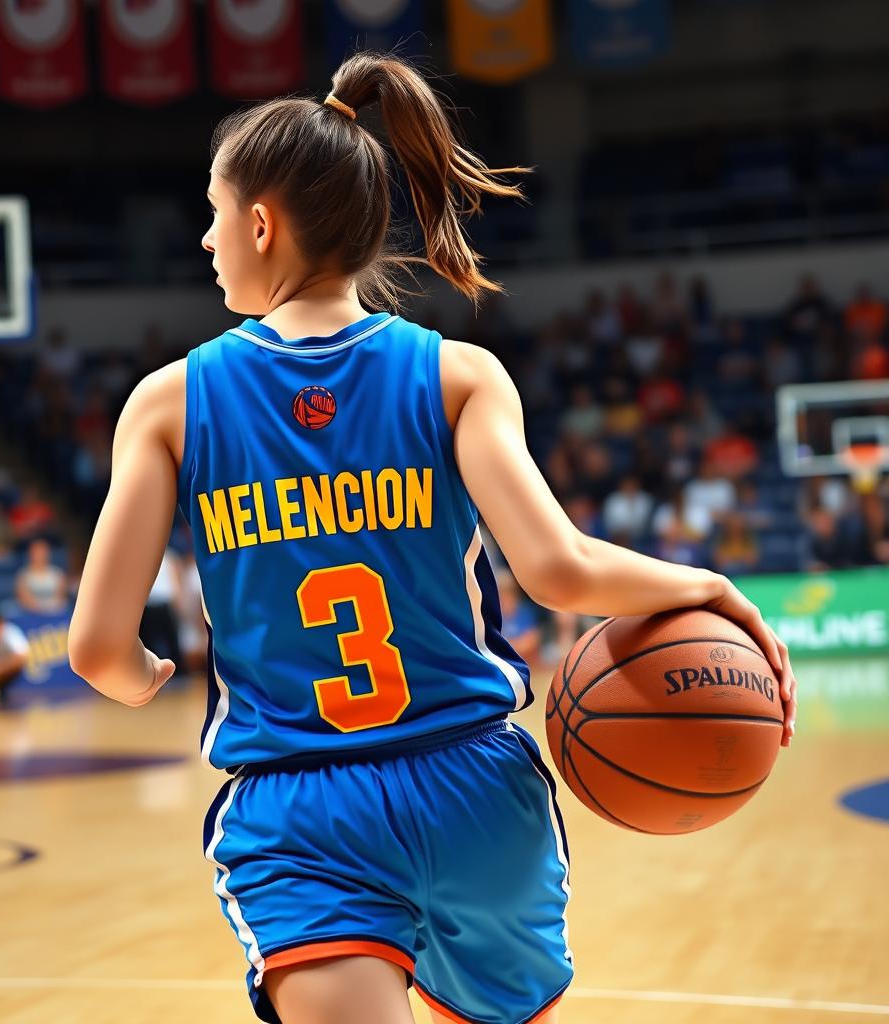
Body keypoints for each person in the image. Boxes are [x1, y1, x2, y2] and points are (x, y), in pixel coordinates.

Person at [68, 52, 796, 1024]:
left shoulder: (169, 402)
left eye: (211, 212)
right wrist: (706, 585)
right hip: (477, 790)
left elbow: (97, 647)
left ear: (258, 222)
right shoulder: (459, 375)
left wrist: (138, 675)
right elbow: (557, 568)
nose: (204, 239)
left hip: (300, 807)